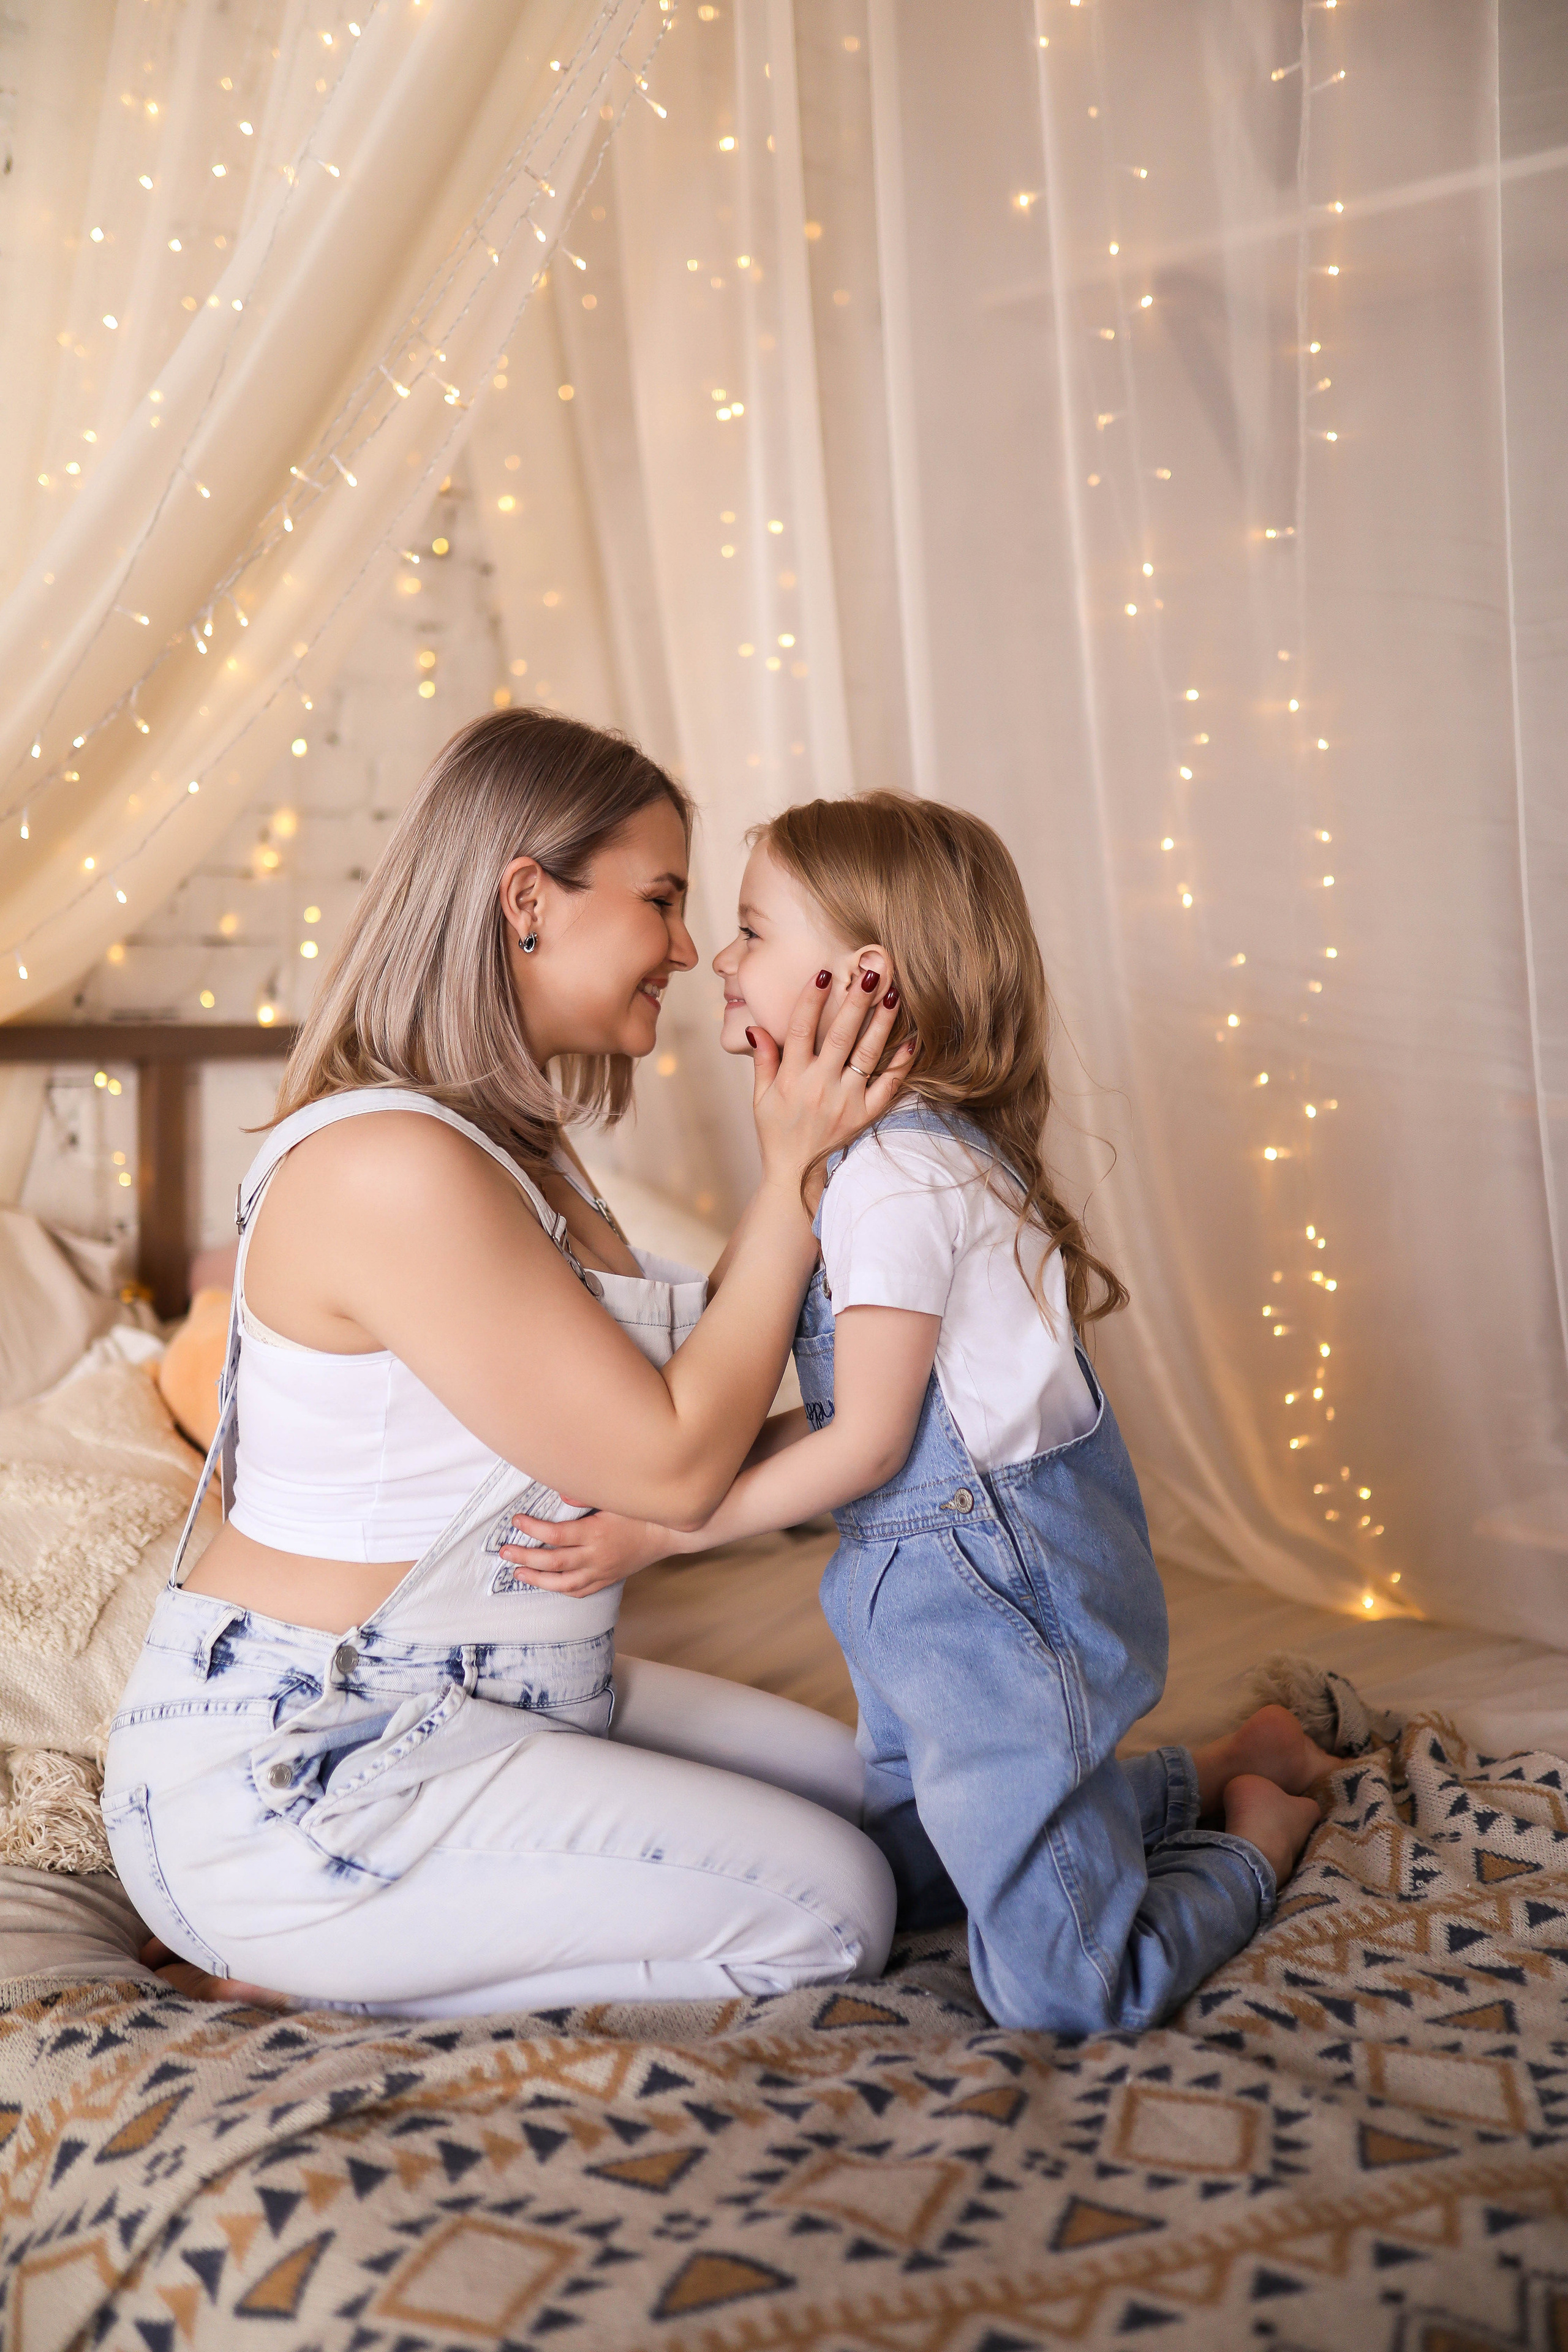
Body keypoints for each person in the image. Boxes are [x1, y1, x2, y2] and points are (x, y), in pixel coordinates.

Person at [102, 712, 912, 2017]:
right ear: (527, 899)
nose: (692, 948)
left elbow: (685, 1424)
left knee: (884, 1793)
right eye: (659, 899)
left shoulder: (520, 1153)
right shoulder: (392, 1168)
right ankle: (285, 1968)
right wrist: (793, 1175)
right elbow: (671, 1463)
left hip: (515, 1685)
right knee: (835, 1907)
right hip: (317, 1756)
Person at [500, 791, 1336, 2037]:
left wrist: (661, 1533)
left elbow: (868, 1444)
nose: (714, 959)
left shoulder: (897, 1177)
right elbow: (831, 1420)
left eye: (745, 930)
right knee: (900, 1871)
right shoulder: (871, 1160)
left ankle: (1256, 1833)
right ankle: (1202, 1770)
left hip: (998, 1609)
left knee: (1058, 1991)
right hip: (918, 1609)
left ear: (860, 979)